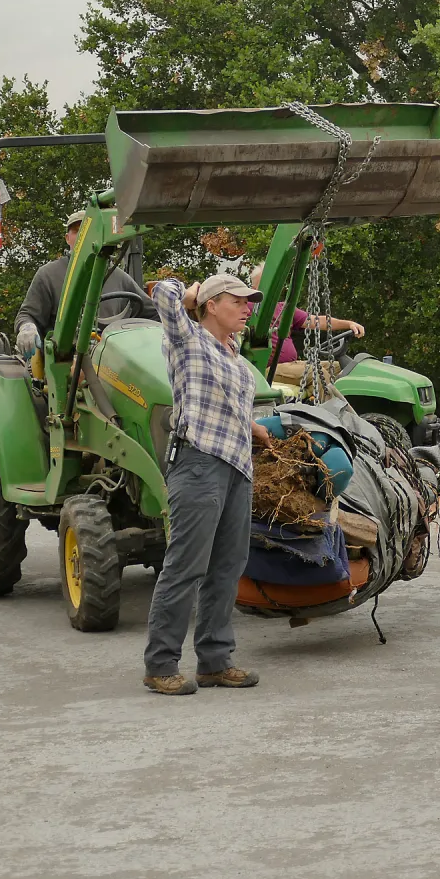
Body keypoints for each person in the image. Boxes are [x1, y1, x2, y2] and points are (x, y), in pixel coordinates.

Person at [142, 272, 271, 696]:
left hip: (237, 467)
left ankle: (215, 662)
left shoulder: (236, 358)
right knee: (186, 566)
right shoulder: (188, 339)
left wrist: (253, 426)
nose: (247, 307)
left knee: (228, 567)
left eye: (248, 302)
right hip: (198, 464)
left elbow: (222, 404)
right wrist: (193, 291)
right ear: (212, 305)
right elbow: (163, 292)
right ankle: (160, 665)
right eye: (238, 300)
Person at [15, 211, 158, 357]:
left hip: (113, 362)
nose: (84, 236)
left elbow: (155, 314)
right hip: (65, 364)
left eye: (89, 230)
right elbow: (27, 315)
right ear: (67, 238)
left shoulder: (120, 278)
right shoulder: (49, 275)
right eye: (78, 231)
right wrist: (27, 328)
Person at [247, 263, 365, 362]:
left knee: (342, 368)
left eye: (274, 284)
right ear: (253, 288)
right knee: (319, 375)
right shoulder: (247, 309)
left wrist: (349, 324)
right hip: (270, 369)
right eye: (265, 284)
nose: (271, 288)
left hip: (292, 365)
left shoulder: (283, 308)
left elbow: (318, 321)